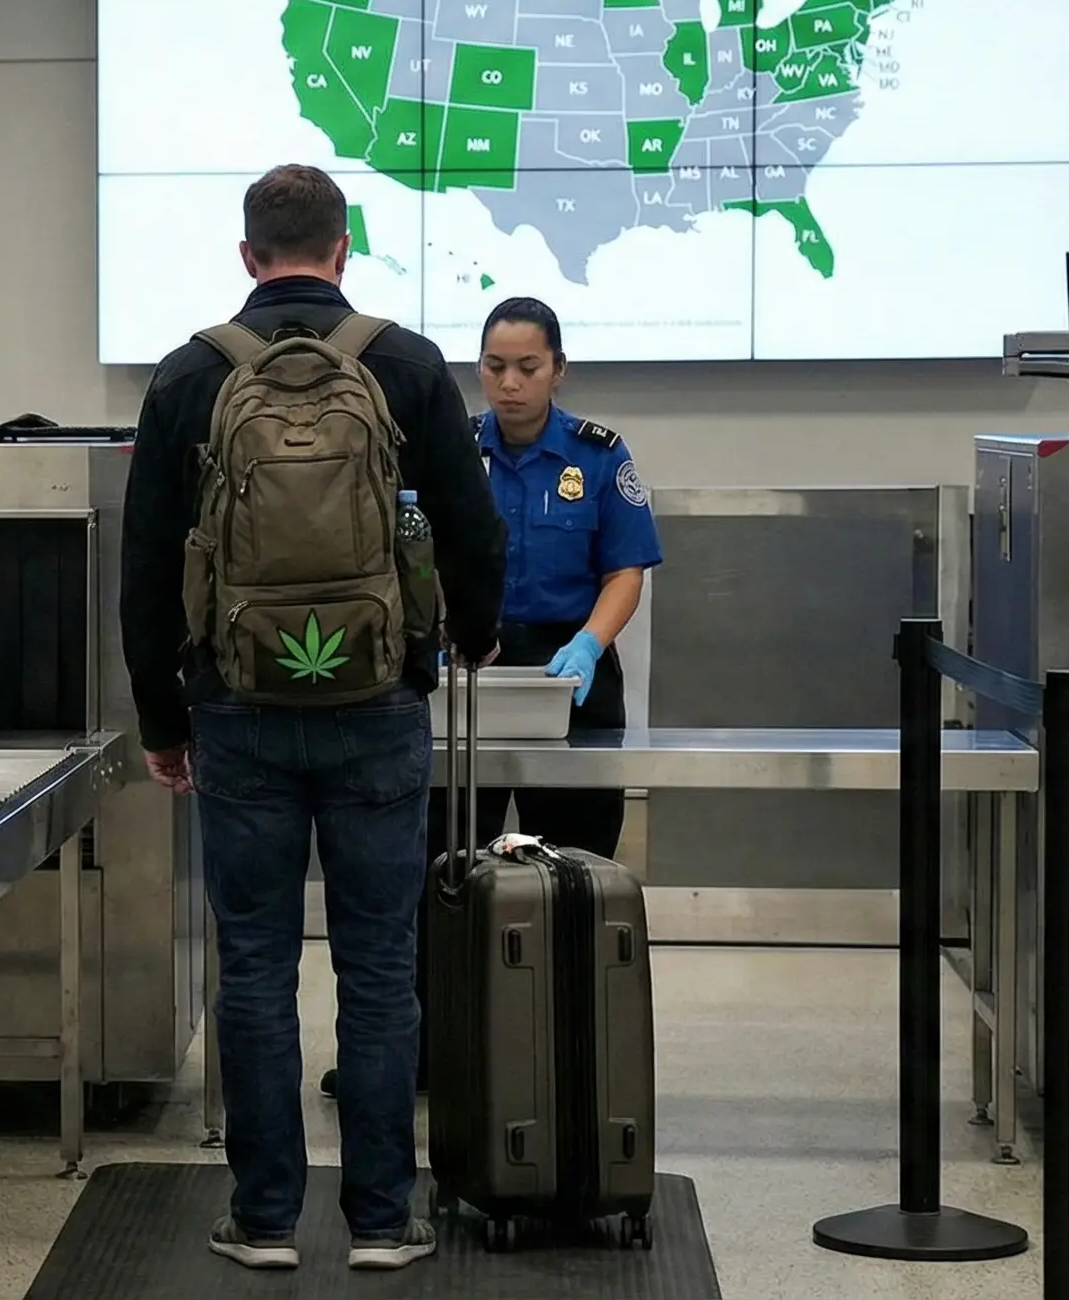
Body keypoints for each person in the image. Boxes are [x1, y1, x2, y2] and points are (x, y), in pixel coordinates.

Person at [121, 164, 506, 1274]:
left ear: (248, 256)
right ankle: (385, 1219)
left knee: (253, 965)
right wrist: (468, 636)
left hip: (235, 704)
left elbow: (146, 568)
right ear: (343, 249)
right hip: (378, 701)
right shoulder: (404, 362)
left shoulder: (190, 373)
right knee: (380, 964)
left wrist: (162, 718)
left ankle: (264, 1219)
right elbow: (471, 528)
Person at [471, 295, 663, 856]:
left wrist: (588, 645)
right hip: (474, 666)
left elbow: (626, 572)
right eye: (494, 366)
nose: (510, 383)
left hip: (572, 671)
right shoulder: (456, 451)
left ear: (558, 369)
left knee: (573, 858)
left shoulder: (598, 455)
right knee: (453, 856)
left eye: (527, 368)